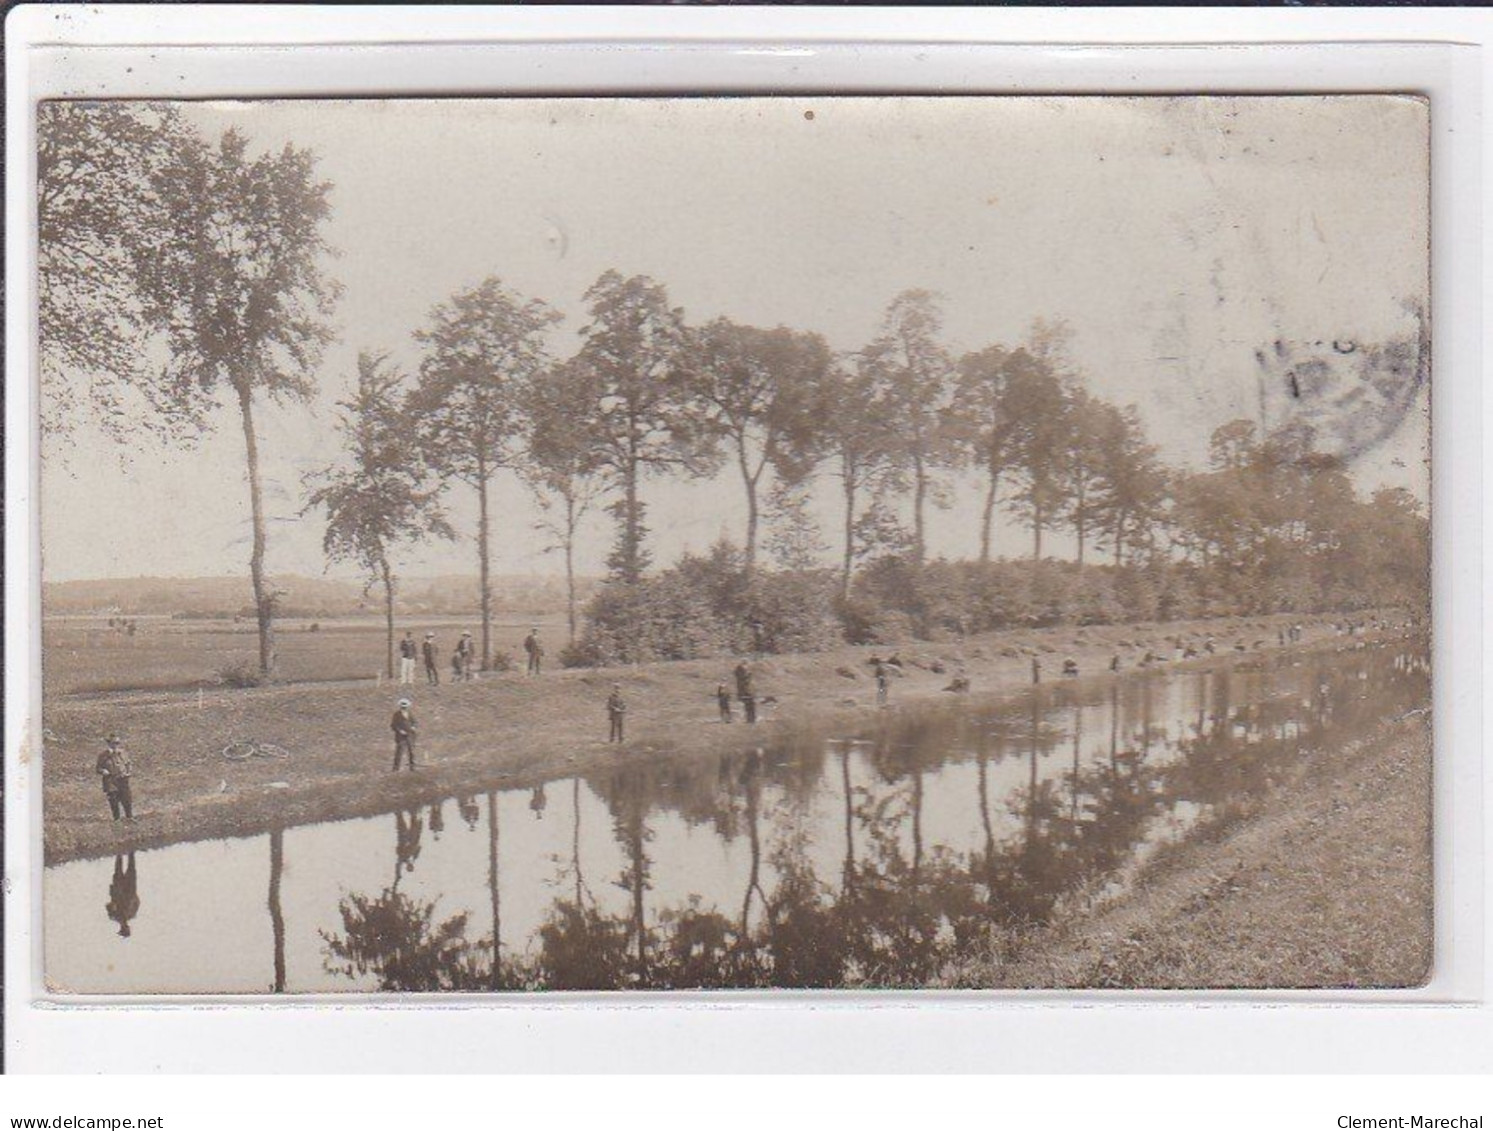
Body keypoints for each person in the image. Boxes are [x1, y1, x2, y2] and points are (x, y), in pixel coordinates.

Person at [96, 732, 134, 822]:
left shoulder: (123, 753)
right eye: (113, 743)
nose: (115, 745)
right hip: (110, 780)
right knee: (113, 800)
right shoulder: (103, 755)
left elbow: (128, 764)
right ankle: (116, 819)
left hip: (123, 779)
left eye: (117, 743)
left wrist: (128, 772)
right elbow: (98, 768)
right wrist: (103, 771)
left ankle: (129, 817)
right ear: (109, 744)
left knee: (126, 799)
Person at [106, 852, 140, 938]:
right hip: (129, 889)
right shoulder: (131, 913)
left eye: (123, 929)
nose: (124, 927)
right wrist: (133, 897)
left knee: (119, 866)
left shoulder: (114, 916)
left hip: (118, 891)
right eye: (125, 929)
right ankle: (129, 847)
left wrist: (113, 905)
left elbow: (108, 905)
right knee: (130, 865)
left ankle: (121, 849)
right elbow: (137, 901)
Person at [391, 698, 418, 771]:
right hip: (401, 737)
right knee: (399, 752)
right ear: (400, 706)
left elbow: (414, 722)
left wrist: (413, 727)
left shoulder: (410, 713)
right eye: (403, 706)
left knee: (412, 752)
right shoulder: (396, 714)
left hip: (410, 736)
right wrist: (400, 731)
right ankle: (396, 768)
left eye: (405, 706)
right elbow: (393, 725)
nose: (404, 707)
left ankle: (412, 768)